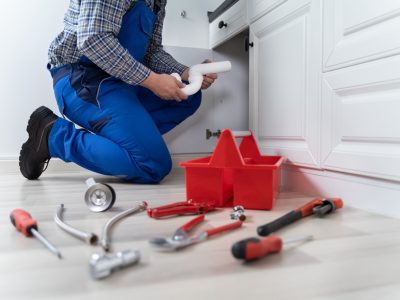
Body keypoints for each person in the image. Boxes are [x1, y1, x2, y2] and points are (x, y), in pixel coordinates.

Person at [19, 0, 217, 183]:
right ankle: (54, 136)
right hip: (83, 79)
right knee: (153, 166)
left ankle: (124, 142)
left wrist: (187, 72)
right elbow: (93, 39)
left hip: (121, 80)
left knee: (186, 95)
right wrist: (154, 81)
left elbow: (151, 52)